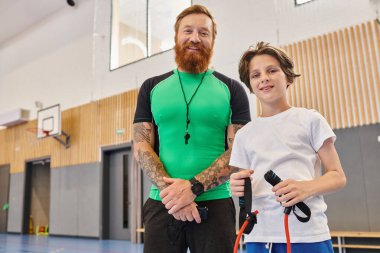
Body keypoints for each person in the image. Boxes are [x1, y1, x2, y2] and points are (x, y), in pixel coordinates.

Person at [133, 5, 250, 253]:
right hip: (162, 204)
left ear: (213, 40)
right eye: (188, 31)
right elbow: (141, 145)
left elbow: (240, 150)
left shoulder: (232, 89)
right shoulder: (151, 87)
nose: (195, 38)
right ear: (176, 37)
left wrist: (193, 188)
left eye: (203, 33)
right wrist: (176, 197)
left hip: (215, 207)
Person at [229, 42, 346, 253]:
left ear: (288, 76)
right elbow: (244, 182)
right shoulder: (244, 135)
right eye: (255, 75)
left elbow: (338, 176)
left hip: (308, 235)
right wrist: (237, 187)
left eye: (272, 70)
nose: (264, 77)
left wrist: (306, 188)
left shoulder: (310, 119)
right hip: (259, 236)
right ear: (250, 85)